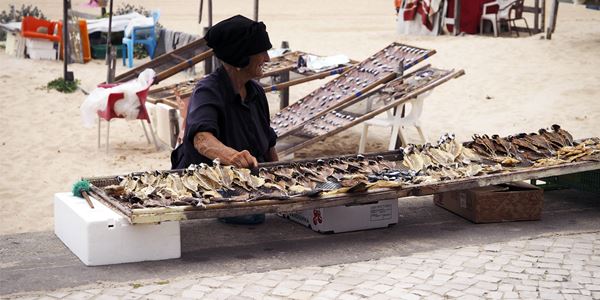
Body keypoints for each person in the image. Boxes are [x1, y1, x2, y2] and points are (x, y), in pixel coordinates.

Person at [170, 15, 278, 224]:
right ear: (240, 60)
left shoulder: (256, 91)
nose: (267, 59)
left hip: (247, 188)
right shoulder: (208, 91)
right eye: (261, 52)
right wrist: (232, 156)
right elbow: (201, 138)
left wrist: (281, 179)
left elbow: (268, 144)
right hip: (207, 190)